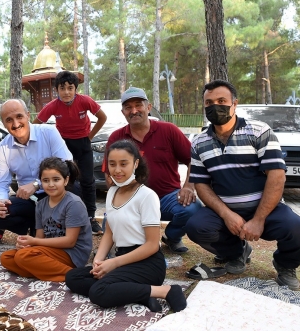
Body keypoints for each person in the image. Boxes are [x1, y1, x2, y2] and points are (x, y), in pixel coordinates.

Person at [185, 80, 300, 290]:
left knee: (297, 229)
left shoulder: (258, 131)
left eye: (222, 101)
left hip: (267, 210)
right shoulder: (199, 142)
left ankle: (286, 265)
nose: (215, 106)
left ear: (235, 104)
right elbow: (202, 185)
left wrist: (259, 219)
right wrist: (227, 215)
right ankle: (237, 253)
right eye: (209, 103)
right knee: (196, 226)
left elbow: (277, 176)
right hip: (225, 212)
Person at [65, 140, 187, 312]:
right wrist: (99, 260)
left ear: (136, 163)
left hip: (147, 263)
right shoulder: (112, 192)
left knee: (98, 292)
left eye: (124, 164)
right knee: (73, 277)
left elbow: (152, 245)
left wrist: (113, 263)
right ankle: (143, 294)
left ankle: (166, 291)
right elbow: (109, 231)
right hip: (122, 259)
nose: (117, 170)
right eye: (112, 164)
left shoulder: (146, 196)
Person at [103, 87, 200, 254]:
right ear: (123, 112)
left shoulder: (169, 130)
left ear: (148, 107)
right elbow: (108, 174)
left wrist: (188, 186)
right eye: (128, 107)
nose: (134, 111)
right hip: (132, 199)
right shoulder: (116, 137)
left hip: (167, 197)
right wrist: (122, 199)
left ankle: (172, 237)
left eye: (138, 105)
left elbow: (193, 160)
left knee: (193, 209)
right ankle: (135, 244)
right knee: (110, 224)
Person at [33, 71, 108, 235]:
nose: (66, 92)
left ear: (75, 89)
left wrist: (90, 136)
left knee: (88, 181)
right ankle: (66, 217)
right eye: (62, 88)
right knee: (67, 182)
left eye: (70, 88)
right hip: (63, 145)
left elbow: (103, 117)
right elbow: (35, 124)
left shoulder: (85, 101)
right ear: (57, 90)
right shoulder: (53, 105)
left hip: (83, 144)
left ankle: (90, 218)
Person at [0, 99, 73, 236]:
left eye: (19, 116)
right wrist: (1, 201)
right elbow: (1, 184)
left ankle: (56, 228)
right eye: (9, 120)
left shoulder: (48, 132)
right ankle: (34, 226)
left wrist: (37, 184)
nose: (15, 124)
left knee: (76, 188)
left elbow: (67, 164)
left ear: (28, 115)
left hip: (55, 191)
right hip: (30, 200)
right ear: (3, 123)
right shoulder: (3, 148)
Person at [0, 157, 92, 282]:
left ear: (66, 180)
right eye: (46, 180)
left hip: (72, 253)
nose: (51, 184)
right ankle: (46, 270)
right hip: (51, 250)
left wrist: (34, 243)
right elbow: (40, 238)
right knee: (7, 258)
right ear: (41, 182)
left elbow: (70, 241)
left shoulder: (73, 203)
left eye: (56, 179)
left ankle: (72, 274)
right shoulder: (41, 205)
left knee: (22, 257)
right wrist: (26, 244)